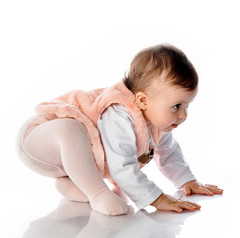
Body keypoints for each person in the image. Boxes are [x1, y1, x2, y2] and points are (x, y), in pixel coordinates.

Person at [16, 44, 223, 216]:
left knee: (79, 150)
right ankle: (98, 193)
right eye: (177, 106)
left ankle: (73, 185)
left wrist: (187, 180)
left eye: (187, 106)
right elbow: (122, 166)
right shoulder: (119, 114)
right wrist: (156, 198)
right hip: (38, 138)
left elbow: (169, 153)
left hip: (65, 160)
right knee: (71, 129)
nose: (183, 115)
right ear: (142, 100)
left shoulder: (157, 123)